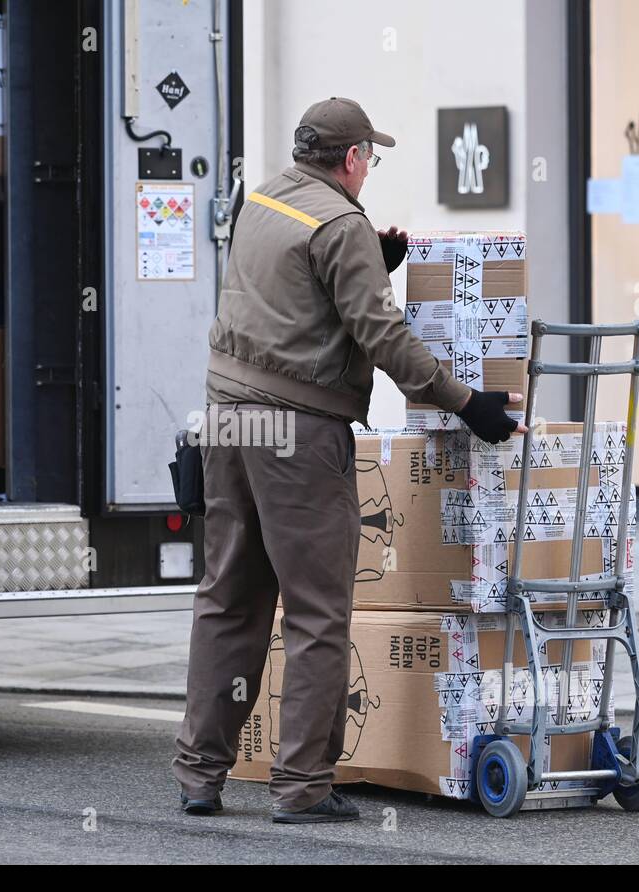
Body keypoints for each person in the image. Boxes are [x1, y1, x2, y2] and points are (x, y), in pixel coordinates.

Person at [172, 96, 525, 823]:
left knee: (227, 602)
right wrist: (467, 404)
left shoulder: (263, 202)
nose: (370, 170)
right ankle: (301, 787)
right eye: (372, 157)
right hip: (296, 436)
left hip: (227, 425)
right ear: (353, 159)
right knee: (316, 613)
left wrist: (374, 263)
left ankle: (200, 775)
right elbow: (386, 341)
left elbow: (289, 299)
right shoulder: (343, 223)